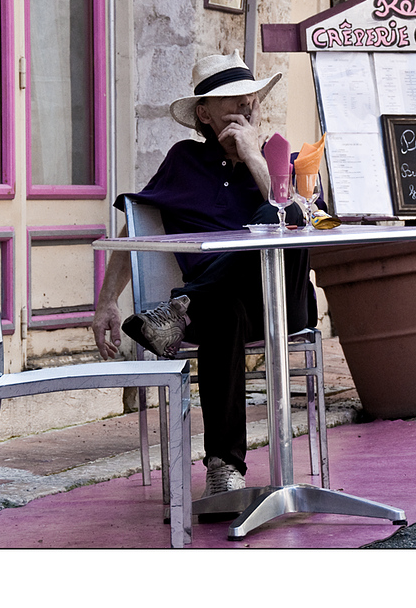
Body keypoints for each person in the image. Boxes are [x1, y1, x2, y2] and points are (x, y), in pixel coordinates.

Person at [91, 50, 315, 502]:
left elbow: (291, 219)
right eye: (232, 100)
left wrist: (254, 157)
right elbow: (132, 223)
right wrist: (107, 302)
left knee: (273, 212)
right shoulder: (183, 161)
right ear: (203, 113)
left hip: (281, 299)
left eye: (249, 98)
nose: (245, 107)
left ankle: (182, 305)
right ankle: (223, 469)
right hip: (229, 309)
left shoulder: (275, 154)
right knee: (224, 314)